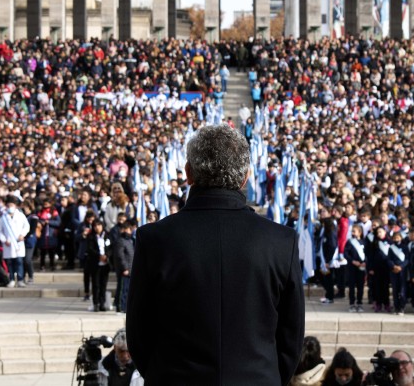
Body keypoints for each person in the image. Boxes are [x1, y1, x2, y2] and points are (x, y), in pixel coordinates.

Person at [126, 124, 304, 386]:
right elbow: (291, 339)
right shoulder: (280, 241)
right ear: (245, 177)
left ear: (188, 173)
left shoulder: (154, 239)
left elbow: (139, 334)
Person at [0, 195, 29, 288]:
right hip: (8, 244)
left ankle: (20, 280)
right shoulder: (3, 217)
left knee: (19, 262)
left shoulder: (20, 215)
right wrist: (4, 239)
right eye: (9, 205)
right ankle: (11, 279)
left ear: (15, 206)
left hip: (18, 243)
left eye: (12, 205)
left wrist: (22, 234)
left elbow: (26, 226)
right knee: (10, 263)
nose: (10, 207)